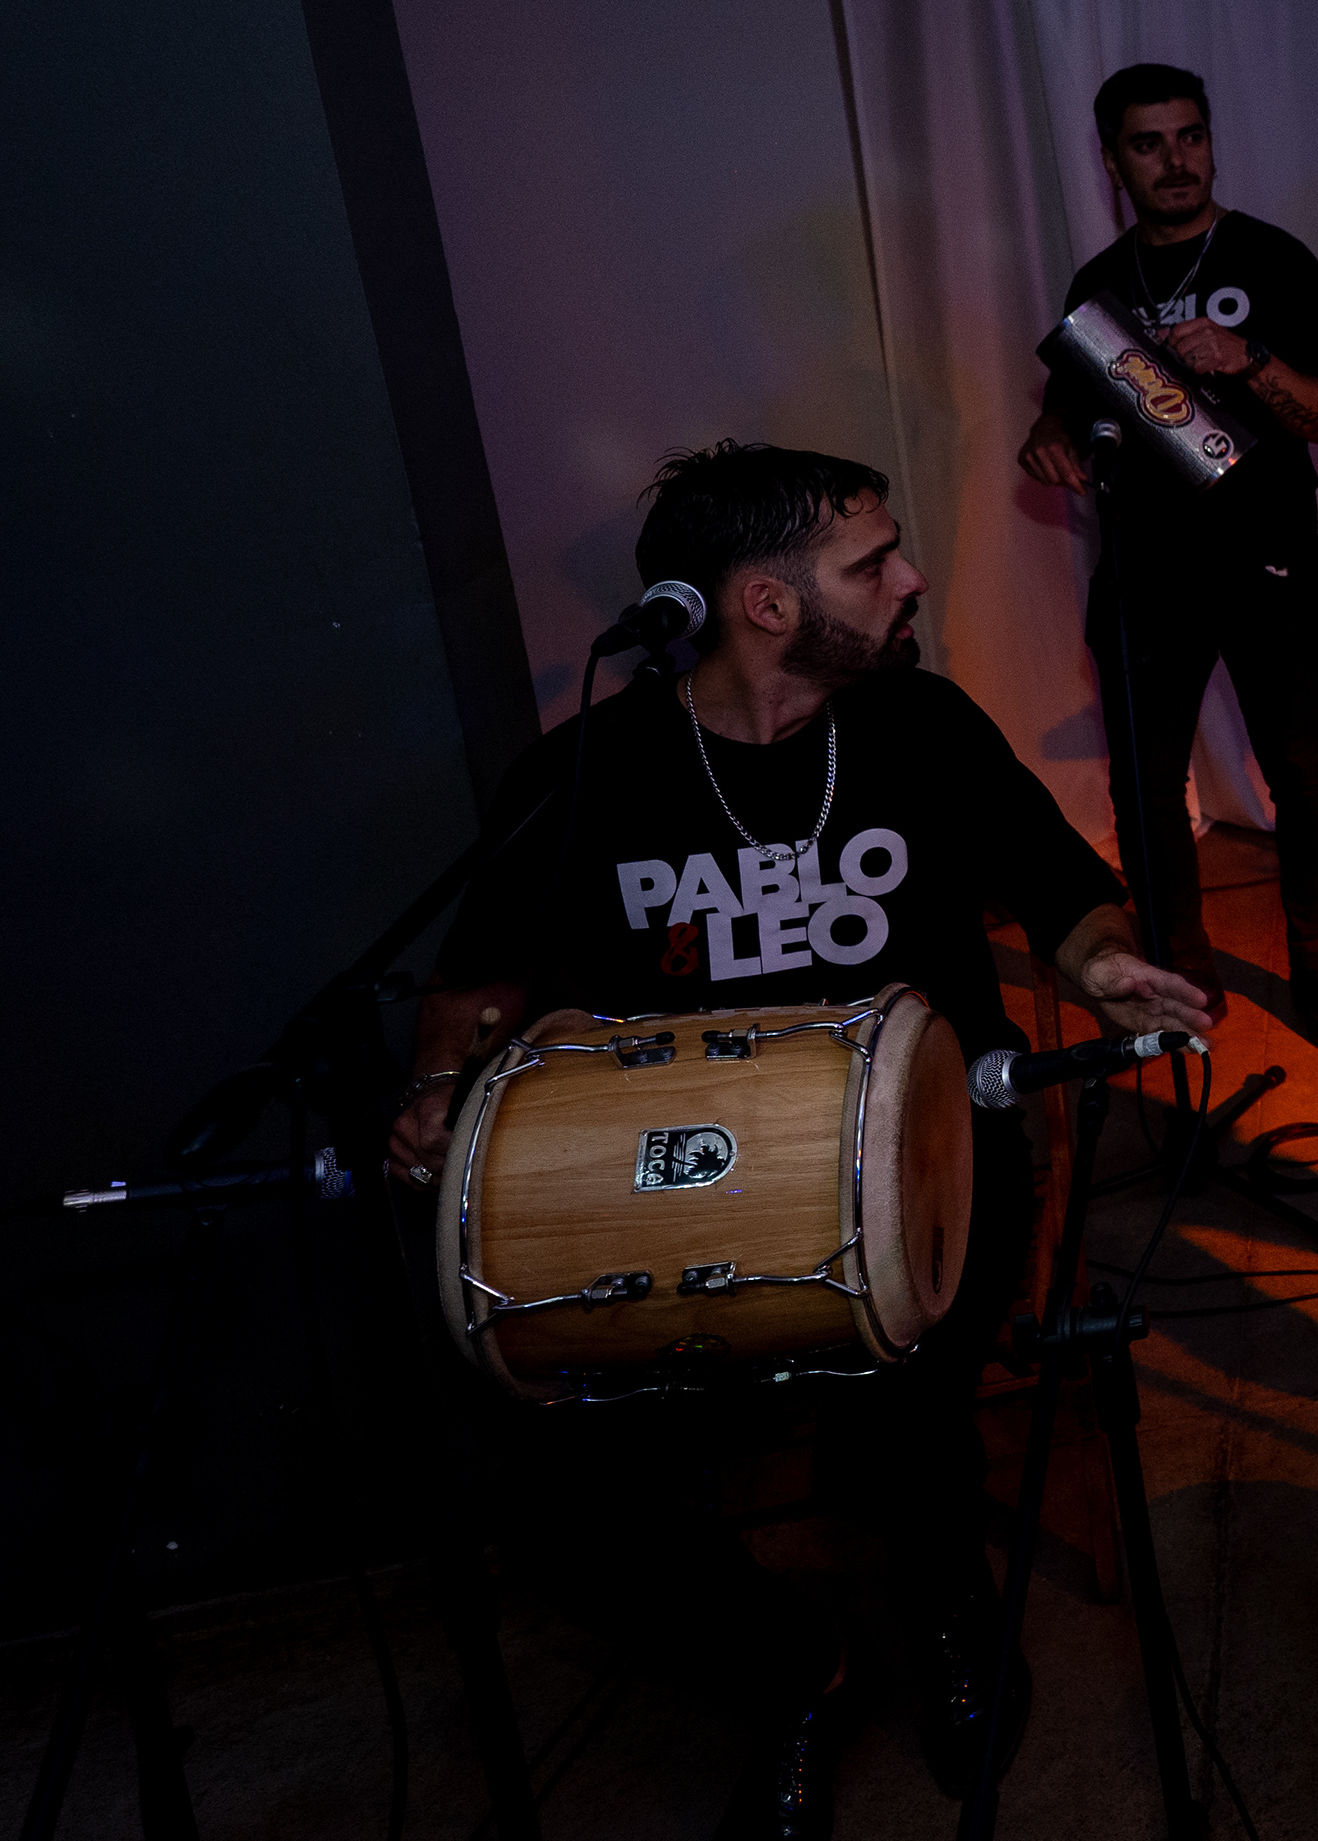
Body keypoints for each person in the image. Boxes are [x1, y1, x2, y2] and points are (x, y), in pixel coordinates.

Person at [387, 443, 1214, 1839]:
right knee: (562, 1500)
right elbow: (475, 990)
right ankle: (792, 1665)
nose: (911, 578)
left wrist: (1105, 965)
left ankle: (947, 1605)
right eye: (871, 563)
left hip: (927, 1169)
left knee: (910, 1423)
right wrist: (438, 1084)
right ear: (765, 604)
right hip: (674, 1204)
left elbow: (1061, 888)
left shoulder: (922, 729)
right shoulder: (589, 772)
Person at [1019, 62, 1318, 1050]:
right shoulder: (1099, 284)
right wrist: (1046, 436)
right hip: (1145, 575)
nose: (1175, 160)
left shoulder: (1275, 260)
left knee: (1300, 771)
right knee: (1144, 787)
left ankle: (1317, 961)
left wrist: (1246, 359)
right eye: (1149, 143)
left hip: (1268, 560)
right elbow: (1068, 408)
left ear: (1210, 141)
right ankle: (1185, 971)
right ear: (1113, 160)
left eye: (1190, 136)